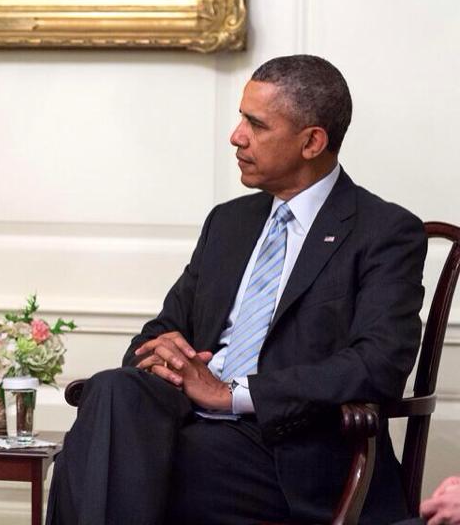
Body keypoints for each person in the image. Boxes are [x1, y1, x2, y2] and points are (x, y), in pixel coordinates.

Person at [46, 55, 427, 525]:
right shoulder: (229, 222)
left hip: (289, 450)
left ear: (312, 142)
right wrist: (164, 357)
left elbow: (379, 364)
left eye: (256, 124)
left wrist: (232, 394)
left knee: (97, 461)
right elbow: (156, 335)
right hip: (185, 420)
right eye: (240, 118)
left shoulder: (383, 231)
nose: (236, 136)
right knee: (111, 390)